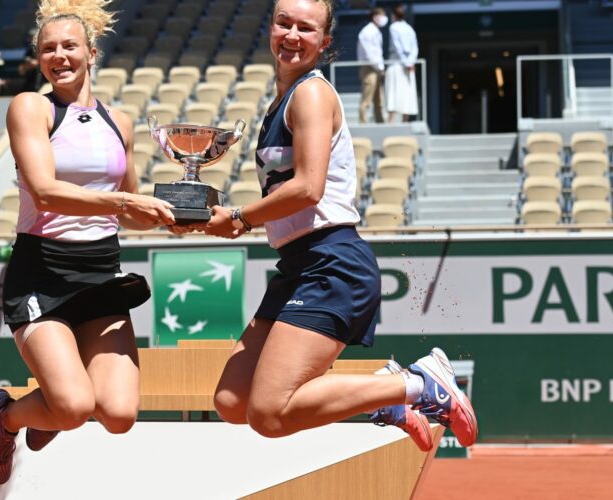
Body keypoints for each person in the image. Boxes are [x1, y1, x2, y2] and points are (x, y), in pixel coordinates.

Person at [192, 0, 476, 453]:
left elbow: (308, 188)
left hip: (333, 260)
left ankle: (420, 384)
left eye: (305, 28)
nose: (291, 35)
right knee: (231, 400)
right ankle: (383, 398)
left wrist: (242, 218)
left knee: (268, 413)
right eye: (283, 22)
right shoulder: (279, 104)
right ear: (270, 28)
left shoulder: (311, 93)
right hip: (298, 264)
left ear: (324, 43)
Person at [0, 0, 176, 485]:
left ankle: (50, 411)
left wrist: (181, 218)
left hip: (101, 277)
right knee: (72, 406)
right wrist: (126, 203)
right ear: (39, 58)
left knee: (119, 413)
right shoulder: (31, 107)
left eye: (69, 46)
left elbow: (132, 213)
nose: (59, 56)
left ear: (91, 52)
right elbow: (44, 192)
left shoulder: (120, 122)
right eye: (49, 49)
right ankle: (5, 418)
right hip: (42, 274)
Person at [385, 4, 419, 123]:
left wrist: (406, 62)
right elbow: (415, 48)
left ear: (393, 15)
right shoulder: (410, 28)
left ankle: (391, 122)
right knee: (407, 93)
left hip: (397, 64)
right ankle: (405, 121)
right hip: (409, 65)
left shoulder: (393, 27)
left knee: (393, 92)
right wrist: (410, 62)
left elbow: (398, 47)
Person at [356, 7, 386, 124]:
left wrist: (381, 67)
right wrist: (379, 67)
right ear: (375, 16)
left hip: (377, 67)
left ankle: (380, 121)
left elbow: (378, 52)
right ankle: (363, 122)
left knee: (379, 98)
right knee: (367, 97)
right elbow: (369, 53)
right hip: (369, 67)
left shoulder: (376, 31)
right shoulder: (367, 31)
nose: (384, 18)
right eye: (381, 15)